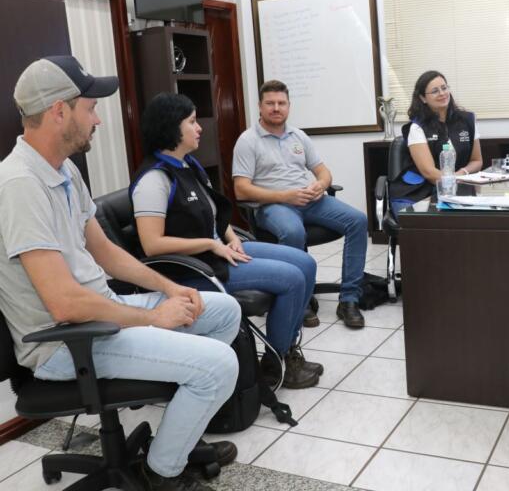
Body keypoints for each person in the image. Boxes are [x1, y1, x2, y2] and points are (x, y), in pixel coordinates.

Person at [0, 56, 240, 491]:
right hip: (64, 342)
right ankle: (161, 473)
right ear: (59, 111)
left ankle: (174, 440)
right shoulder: (19, 186)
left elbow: (106, 252)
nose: (98, 120)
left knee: (221, 310)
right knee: (218, 365)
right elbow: (64, 303)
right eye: (90, 108)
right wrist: (154, 318)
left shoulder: (64, 170)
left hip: (103, 314)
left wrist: (171, 288)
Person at [131, 92, 322, 389]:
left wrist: (230, 237)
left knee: (306, 263)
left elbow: (214, 215)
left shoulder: (188, 166)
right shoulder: (154, 180)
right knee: (293, 278)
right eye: (192, 122)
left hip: (218, 250)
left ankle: (287, 349)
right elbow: (152, 245)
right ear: (171, 128)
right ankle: (275, 363)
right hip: (195, 268)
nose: (199, 128)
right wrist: (211, 244)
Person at [232, 80, 368, 328]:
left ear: (288, 106)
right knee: (293, 231)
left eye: (281, 103)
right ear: (260, 107)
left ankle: (349, 299)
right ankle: (300, 299)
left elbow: (324, 171)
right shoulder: (248, 140)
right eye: (270, 103)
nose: (276, 108)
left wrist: (320, 185)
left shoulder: (299, 136)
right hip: (274, 205)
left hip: (309, 200)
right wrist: (285, 196)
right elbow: (240, 190)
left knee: (358, 220)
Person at [388, 70, 483, 213]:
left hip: (456, 188)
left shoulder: (467, 120)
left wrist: (461, 173)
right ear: (423, 98)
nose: (442, 93)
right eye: (435, 91)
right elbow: (429, 173)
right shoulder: (417, 126)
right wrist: (454, 180)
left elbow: (477, 161)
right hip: (416, 193)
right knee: (430, 228)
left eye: (444, 88)